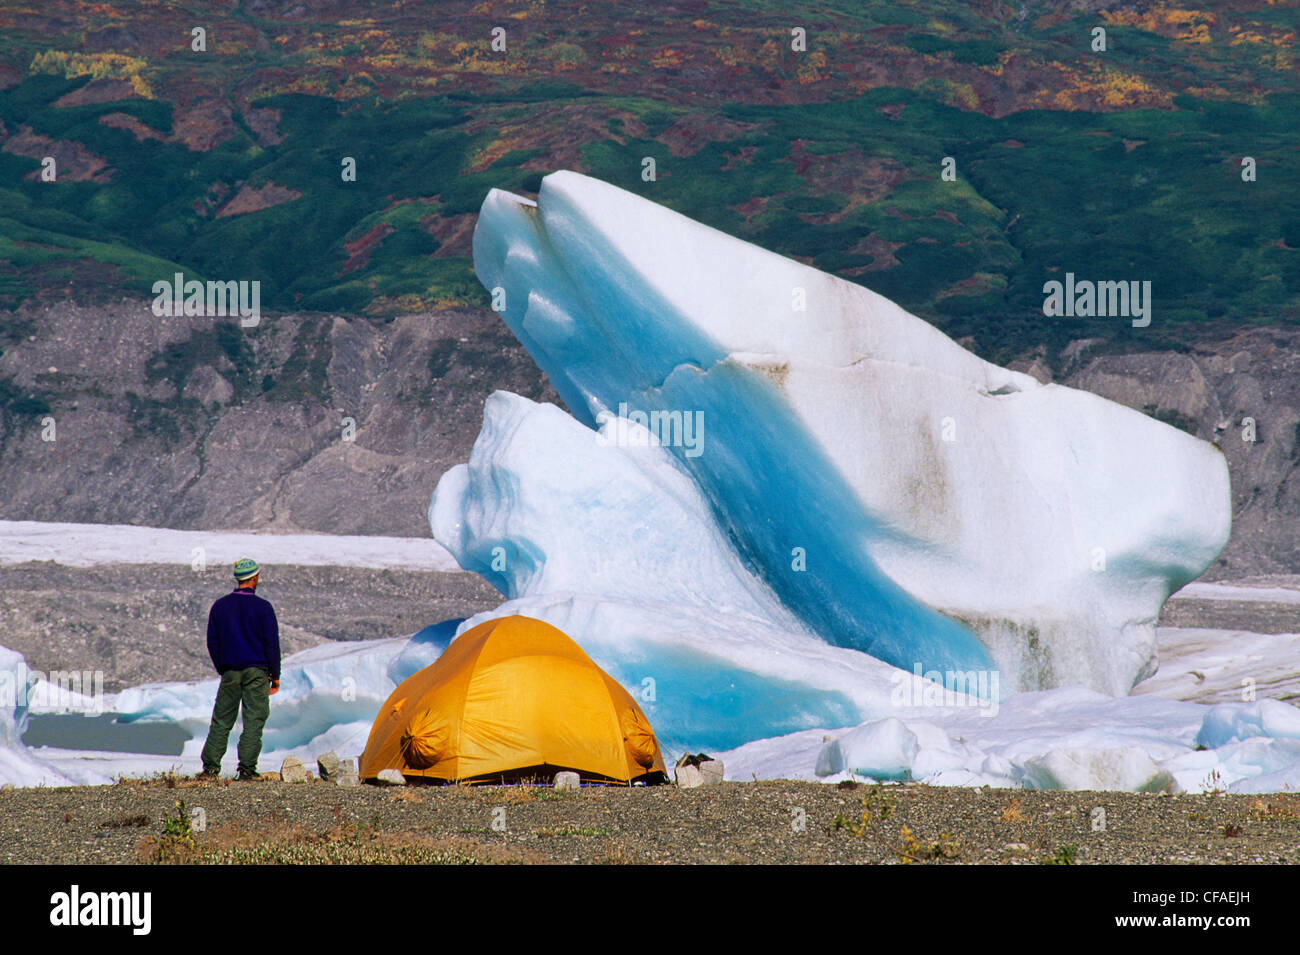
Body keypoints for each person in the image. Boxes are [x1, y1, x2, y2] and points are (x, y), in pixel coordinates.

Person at [198, 558, 281, 780]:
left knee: (222, 719)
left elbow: (212, 641)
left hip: (230, 670)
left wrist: (222, 667)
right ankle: (246, 769)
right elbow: (271, 643)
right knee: (254, 719)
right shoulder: (263, 608)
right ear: (254, 578)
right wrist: (275, 675)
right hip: (257, 671)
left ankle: (210, 768)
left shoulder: (220, 606)